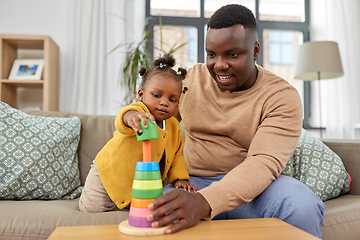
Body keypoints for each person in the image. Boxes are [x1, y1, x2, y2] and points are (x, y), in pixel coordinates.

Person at [146, 4, 325, 238]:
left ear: (255, 51)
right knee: (155, 210)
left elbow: (263, 163)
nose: (219, 65)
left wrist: (205, 201)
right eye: (211, 54)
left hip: (256, 189)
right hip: (193, 183)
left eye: (233, 54)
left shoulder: (281, 96)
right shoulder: (189, 81)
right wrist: (134, 115)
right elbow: (156, 118)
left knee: (301, 205)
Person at [79, 53, 197, 213]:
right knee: (91, 209)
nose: (164, 102)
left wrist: (180, 179)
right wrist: (133, 118)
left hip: (142, 183)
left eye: (173, 99)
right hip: (108, 177)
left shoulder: (174, 126)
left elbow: (176, 157)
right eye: (156, 95)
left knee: (141, 213)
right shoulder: (139, 112)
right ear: (141, 95)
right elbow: (123, 118)